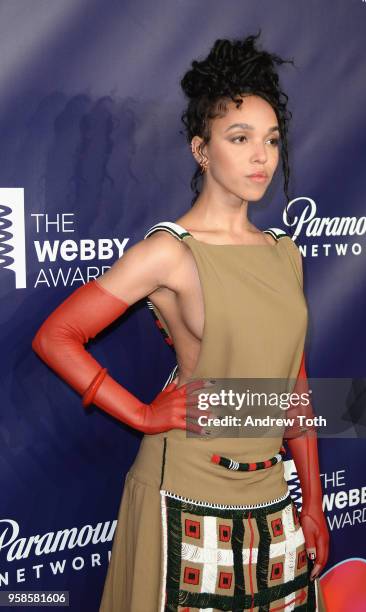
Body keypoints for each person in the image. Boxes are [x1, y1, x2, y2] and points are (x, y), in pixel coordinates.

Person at [32, 31, 329, 611]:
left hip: (272, 495)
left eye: (270, 140)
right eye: (239, 138)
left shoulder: (284, 253)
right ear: (201, 149)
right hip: (187, 495)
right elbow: (56, 336)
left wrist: (312, 503)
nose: (260, 156)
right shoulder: (170, 251)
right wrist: (141, 413)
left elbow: (295, 393)